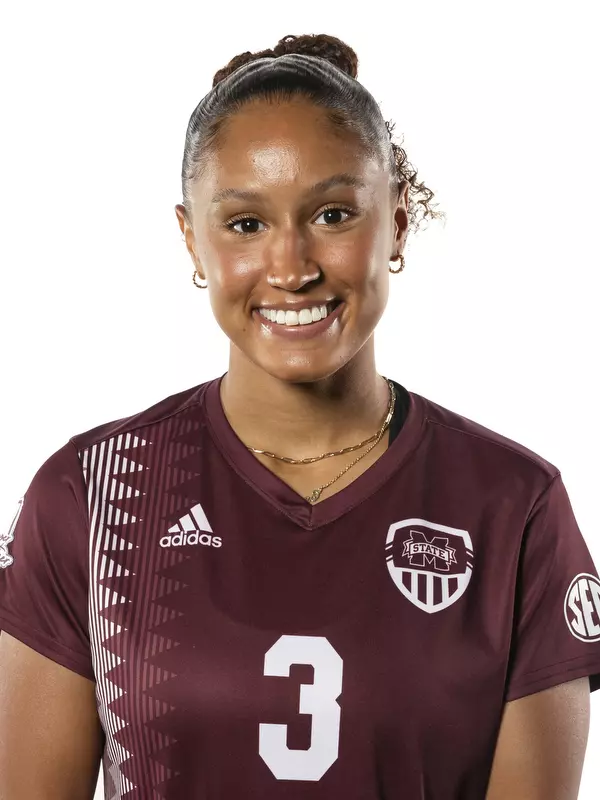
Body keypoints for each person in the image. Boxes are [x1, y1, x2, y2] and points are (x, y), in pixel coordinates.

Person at [1, 32, 599, 800]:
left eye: (334, 214)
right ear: (192, 240)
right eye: (246, 224)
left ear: (399, 223)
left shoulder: (515, 508)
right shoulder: (92, 497)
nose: (291, 267)